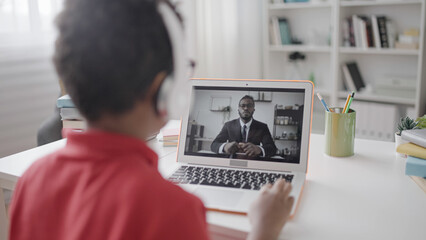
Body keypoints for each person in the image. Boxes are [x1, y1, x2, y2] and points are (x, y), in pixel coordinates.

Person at [9, 0, 294, 239]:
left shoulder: (31, 181)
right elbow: (218, 144)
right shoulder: (174, 210)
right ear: (165, 90)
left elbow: (272, 149)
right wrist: (263, 231)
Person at [211, 95, 277, 158]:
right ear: (238, 109)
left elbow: (272, 148)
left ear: (253, 109)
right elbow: (214, 144)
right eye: (243, 106)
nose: (246, 108)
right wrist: (225, 146)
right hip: (232, 162)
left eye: (249, 106)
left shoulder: (262, 127)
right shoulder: (228, 126)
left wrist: (259, 149)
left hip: (254, 163)